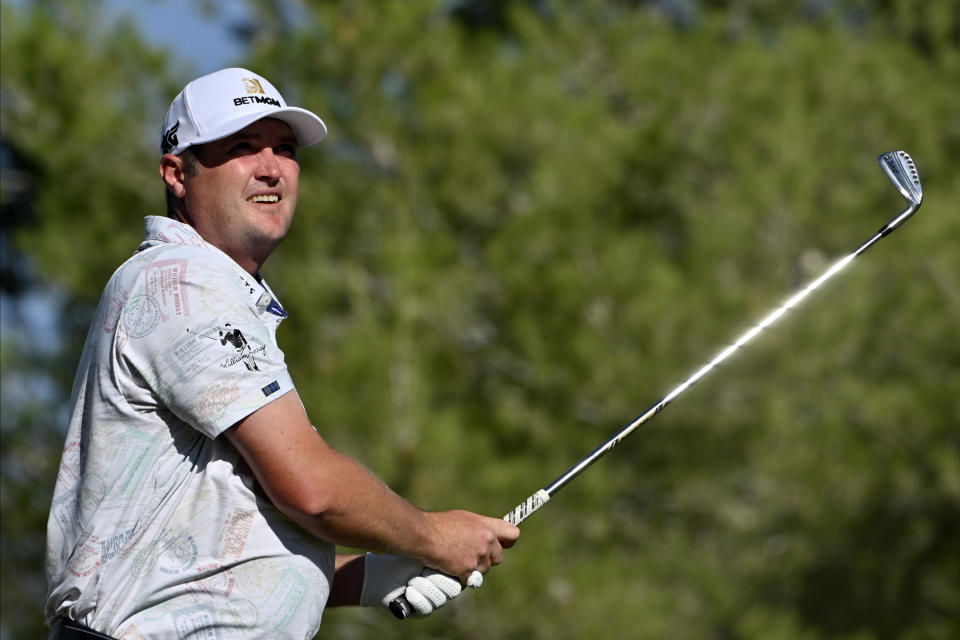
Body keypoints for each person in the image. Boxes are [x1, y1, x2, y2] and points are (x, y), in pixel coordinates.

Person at [44, 67, 519, 639]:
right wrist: (432, 536)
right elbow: (311, 489)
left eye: (285, 149)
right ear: (177, 173)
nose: (271, 167)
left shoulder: (207, 289)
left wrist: (365, 578)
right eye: (242, 148)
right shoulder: (183, 281)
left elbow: (207, 551)